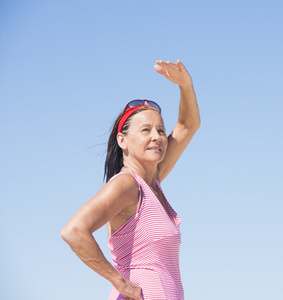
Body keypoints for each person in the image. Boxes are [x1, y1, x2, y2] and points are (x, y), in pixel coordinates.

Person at [61, 60, 200, 300]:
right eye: (145, 130)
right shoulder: (126, 184)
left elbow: (188, 126)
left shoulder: (150, 183)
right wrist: (119, 282)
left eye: (160, 130)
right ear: (122, 141)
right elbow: (73, 231)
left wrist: (185, 85)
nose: (157, 136)